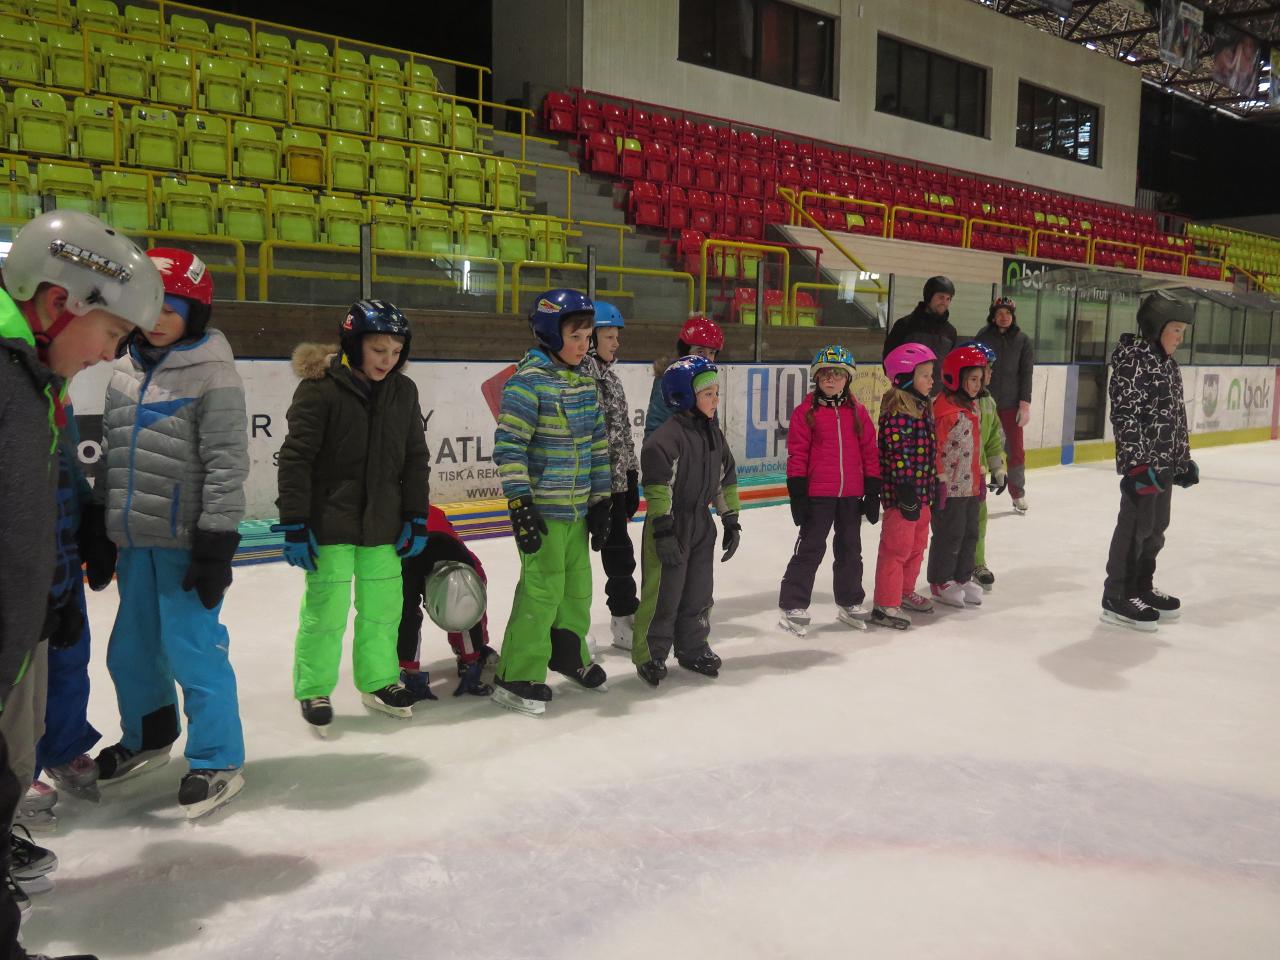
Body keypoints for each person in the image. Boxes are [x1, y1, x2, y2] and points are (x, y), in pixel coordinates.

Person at [1, 209, 162, 956]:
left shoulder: (34, 381)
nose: (109, 355)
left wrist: (57, 591)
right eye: (113, 333)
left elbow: (37, 504)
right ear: (60, 302)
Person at [92, 248, 249, 819]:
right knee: (130, 650)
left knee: (194, 652)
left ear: (196, 312)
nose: (157, 319)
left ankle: (217, 758)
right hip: (135, 541)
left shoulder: (214, 374)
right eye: (149, 306)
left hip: (187, 543)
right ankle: (149, 734)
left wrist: (216, 543)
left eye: (171, 308)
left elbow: (227, 464)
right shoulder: (123, 369)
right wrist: (101, 523)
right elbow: (113, 452)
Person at [274, 299, 430, 733]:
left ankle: (379, 680)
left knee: (383, 610)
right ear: (353, 344)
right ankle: (314, 687)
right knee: (326, 612)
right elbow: (296, 459)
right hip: (330, 524)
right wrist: (295, 522)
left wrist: (415, 515)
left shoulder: (403, 391)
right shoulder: (321, 389)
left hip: (384, 525)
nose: (388, 359)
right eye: (378, 349)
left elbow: (415, 458)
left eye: (396, 351)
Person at [491, 289, 612, 717]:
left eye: (588, 337)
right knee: (541, 591)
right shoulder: (527, 383)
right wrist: (520, 504)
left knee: (577, 588)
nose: (584, 345)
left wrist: (601, 501)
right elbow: (510, 448)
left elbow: (598, 447)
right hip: (541, 513)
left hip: (576, 510)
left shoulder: (585, 384)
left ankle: (567, 653)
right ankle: (516, 673)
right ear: (549, 334)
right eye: (575, 336)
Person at [632, 356, 741, 687]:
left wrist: (730, 519)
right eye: (708, 394)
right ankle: (651, 653)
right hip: (671, 525)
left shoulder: (714, 435)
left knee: (698, 590)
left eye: (716, 393)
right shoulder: (666, 440)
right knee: (664, 592)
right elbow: (659, 489)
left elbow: (724, 479)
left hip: (701, 524)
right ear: (684, 397)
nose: (715, 400)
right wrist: (663, 529)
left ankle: (693, 646)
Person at [1100, 292, 1197, 632]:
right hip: (1143, 466)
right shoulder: (1134, 362)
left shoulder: (1169, 365)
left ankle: (1141, 586)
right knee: (1135, 529)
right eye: (1175, 330)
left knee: (1156, 529)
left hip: (1164, 465)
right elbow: (1125, 416)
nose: (1180, 338)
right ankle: (1117, 595)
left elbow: (1177, 418)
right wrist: (1137, 464)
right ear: (1155, 328)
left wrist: (1182, 460)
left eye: (1183, 331)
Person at [778, 345, 880, 637]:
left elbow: (869, 451)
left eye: (837, 374)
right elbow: (797, 454)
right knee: (810, 548)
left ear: (847, 378)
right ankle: (792, 603)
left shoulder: (858, 412)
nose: (831, 380)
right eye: (825, 375)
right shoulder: (805, 413)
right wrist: (798, 494)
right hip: (818, 495)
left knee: (850, 549)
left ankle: (850, 600)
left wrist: (872, 491)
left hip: (850, 495)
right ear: (816, 378)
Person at [576, 301, 642, 651]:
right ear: (591, 339)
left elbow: (624, 433)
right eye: (609, 336)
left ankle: (623, 616)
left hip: (614, 485)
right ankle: (572, 626)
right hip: (582, 488)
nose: (616, 343)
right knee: (574, 559)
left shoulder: (612, 380)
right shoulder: (578, 378)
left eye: (618, 336)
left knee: (619, 552)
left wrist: (631, 475)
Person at [871, 343, 940, 630]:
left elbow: (928, 452)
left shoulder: (923, 408)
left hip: (922, 493)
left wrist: (934, 484)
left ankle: (904, 591)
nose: (932, 380)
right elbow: (897, 455)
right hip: (903, 497)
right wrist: (906, 491)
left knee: (917, 546)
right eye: (925, 375)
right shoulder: (897, 412)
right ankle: (885, 603)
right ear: (905, 378)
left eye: (931, 374)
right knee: (896, 548)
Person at [398, 504, 497, 699]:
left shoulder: (471, 572)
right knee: (405, 612)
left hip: (446, 544)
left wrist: (471, 661)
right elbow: (408, 618)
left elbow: (470, 609)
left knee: (470, 599)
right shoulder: (408, 573)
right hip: (408, 545)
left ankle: (472, 651)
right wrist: (411, 672)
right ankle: (469, 651)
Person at [927, 345, 1000, 609]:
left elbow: (977, 446)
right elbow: (934, 449)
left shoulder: (972, 406)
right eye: (973, 379)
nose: (978, 384)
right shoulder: (943, 410)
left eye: (980, 379)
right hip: (950, 488)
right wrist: (938, 479)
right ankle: (941, 581)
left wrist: (980, 477)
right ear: (955, 378)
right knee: (950, 535)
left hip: (970, 486)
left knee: (971, 533)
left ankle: (962, 576)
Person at [975, 297, 1034, 513]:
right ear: (993, 316)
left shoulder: (1022, 340)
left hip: (1011, 405)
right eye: (999, 313)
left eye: (1008, 313)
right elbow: (973, 368)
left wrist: (1024, 404)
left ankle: (1017, 493)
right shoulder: (983, 337)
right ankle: (976, 491)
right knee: (978, 448)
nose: (1004, 317)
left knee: (1016, 451)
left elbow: (1026, 373)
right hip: (984, 402)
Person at [960, 340, 1007, 591]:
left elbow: (994, 439)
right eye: (986, 368)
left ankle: (976, 563)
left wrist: (998, 468)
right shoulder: (953, 403)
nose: (989, 373)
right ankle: (952, 570)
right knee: (955, 526)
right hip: (955, 479)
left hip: (977, 477)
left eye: (989, 369)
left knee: (978, 521)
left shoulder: (988, 403)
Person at [644, 314, 724, 441]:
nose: (706, 359)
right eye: (700, 352)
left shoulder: (707, 380)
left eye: (712, 353)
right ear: (685, 351)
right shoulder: (668, 382)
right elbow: (654, 434)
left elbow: (713, 430)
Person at [882, 276, 959, 392]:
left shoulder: (950, 332)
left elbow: (950, 366)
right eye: (941, 297)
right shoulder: (905, 325)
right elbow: (888, 359)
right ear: (929, 296)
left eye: (948, 299)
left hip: (936, 396)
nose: (945, 302)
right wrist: (899, 385)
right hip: (907, 394)